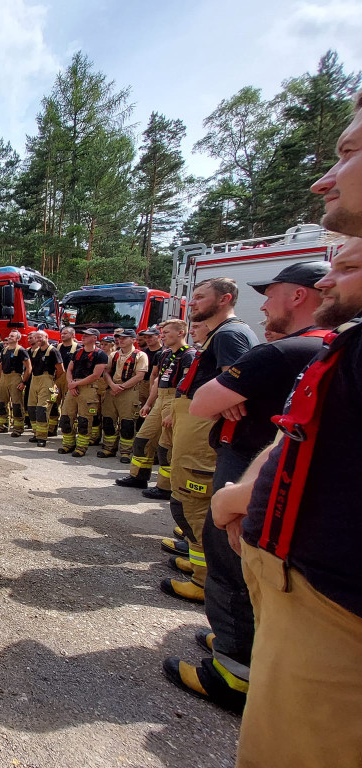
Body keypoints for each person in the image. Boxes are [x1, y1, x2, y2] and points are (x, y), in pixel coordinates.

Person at [163, 261, 329, 712]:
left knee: (229, 555)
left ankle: (234, 671)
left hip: (245, 461)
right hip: (251, 459)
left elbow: (206, 399)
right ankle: (237, 639)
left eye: (273, 292)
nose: (266, 302)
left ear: (299, 296)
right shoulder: (315, 345)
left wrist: (226, 396)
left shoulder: (255, 341)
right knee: (233, 558)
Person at [162, 278, 259, 605]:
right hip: (193, 423)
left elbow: (234, 388)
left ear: (225, 298)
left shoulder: (231, 334)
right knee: (188, 496)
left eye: (201, 297)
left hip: (203, 431)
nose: (193, 303)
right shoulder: (220, 335)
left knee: (195, 497)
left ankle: (204, 581)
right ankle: (197, 562)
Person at [117, 319, 194, 494]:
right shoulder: (165, 354)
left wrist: (173, 412)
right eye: (162, 332)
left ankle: (165, 487)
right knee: (143, 439)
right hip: (160, 398)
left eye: (166, 332)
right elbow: (158, 381)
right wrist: (149, 403)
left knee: (166, 446)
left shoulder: (189, 355)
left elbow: (186, 387)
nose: (162, 336)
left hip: (175, 399)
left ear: (181, 333)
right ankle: (138, 477)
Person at [98, 329, 149, 461]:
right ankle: (109, 448)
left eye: (124, 338)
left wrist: (121, 387)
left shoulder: (140, 355)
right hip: (112, 390)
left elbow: (140, 376)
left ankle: (126, 452)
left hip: (129, 392)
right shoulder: (113, 355)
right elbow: (106, 372)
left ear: (133, 340)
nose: (120, 340)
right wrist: (113, 385)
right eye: (119, 338)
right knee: (108, 420)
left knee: (127, 422)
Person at [59, 328, 108, 457]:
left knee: (84, 421)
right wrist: (71, 384)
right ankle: (68, 444)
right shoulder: (78, 352)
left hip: (88, 388)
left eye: (88, 335)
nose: (84, 337)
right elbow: (69, 369)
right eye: (84, 335)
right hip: (73, 386)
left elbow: (96, 375)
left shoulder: (100, 355)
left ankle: (81, 447)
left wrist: (76, 384)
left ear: (95, 338)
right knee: (65, 417)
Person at [27, 330, 64, 446]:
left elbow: (61, 370)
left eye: (40, 337)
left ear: (46, 337)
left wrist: (52, 380)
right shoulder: (35, 352)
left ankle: (42, 437)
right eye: (36, 337)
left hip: (46, 380)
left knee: (42, 410)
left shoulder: (53, 351)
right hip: (35, 380)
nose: (38, 339)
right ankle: (36, 433)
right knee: (32, 408)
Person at [0, 331, 30, 434]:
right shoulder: (4, 350)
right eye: (9, 336)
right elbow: (0, 366)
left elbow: (28, 368)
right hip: (4, 377)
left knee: (17, 404)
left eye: (12, 336)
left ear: (18, 338)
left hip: (15, 377)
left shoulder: (21, 351)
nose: (9, 337)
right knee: (1, 402)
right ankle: (3, 425)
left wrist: (23, 382)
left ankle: (18, 428)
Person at [49, 326, 80, 436]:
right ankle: (51, 428)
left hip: (70, 379)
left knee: (69, 406)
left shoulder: (78, 348)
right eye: (62, 333)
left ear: (72, 335)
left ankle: (70, 430)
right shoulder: (57, 347)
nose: (62, 335)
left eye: (66, 333)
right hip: (57, 378)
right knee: (53, 403)